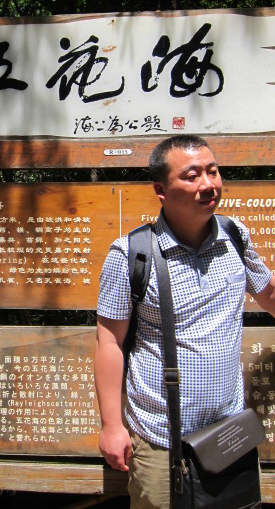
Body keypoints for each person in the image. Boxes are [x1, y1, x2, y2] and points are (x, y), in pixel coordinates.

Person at [95, 134, 275, 509]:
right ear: (161, 189)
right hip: (162, 439)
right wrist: (112, 426)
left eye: (212, 171)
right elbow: (109, 342)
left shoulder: (235, 237)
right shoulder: (131, 254)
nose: (208, 184)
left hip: (228, 433)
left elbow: (270, 294)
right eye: (192, 175)